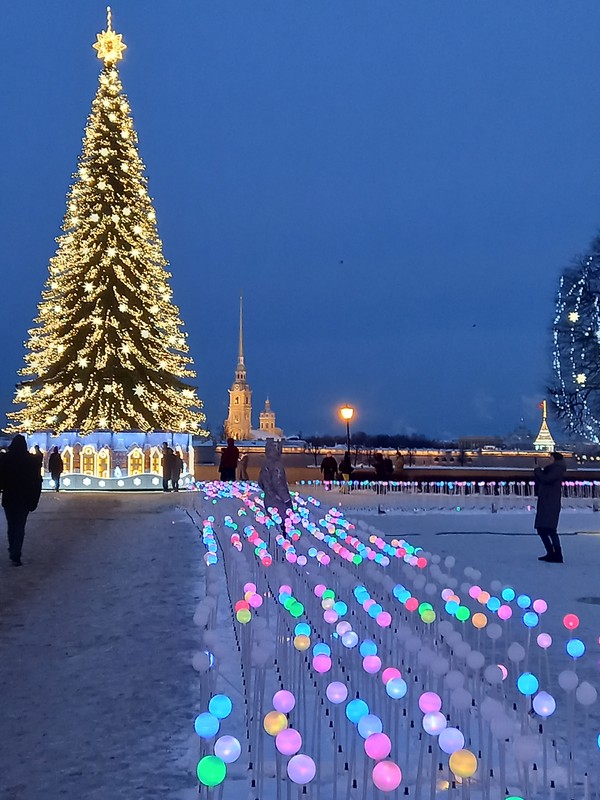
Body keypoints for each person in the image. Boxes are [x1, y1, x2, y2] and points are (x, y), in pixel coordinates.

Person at [0, 434, 43, 566]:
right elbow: (37, 479)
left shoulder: (6, 459)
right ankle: (16, 552)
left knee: (11, 525)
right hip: (24, 498)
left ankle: (13, 547)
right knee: (19, 526)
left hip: (9, 497)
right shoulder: (30, 461)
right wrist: (34, 499)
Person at [534, 451, 567, 563]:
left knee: (550, 529)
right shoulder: (552, 469)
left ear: (555, 459)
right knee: (542, 529)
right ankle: (551, 553)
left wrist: (538, 471)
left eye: (550, 458)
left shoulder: (557, 469)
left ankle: (557, 554)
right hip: (546, 502)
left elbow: (546, 479)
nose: (549, 460)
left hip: (550, 503)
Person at [258, 440, 292, 533]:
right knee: (283, 527)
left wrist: (268, 492)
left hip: (268, 500)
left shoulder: (265, 465)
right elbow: (278, 483)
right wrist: (286, 500)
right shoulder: (277, 466)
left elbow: (260, 482)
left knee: (273, 530)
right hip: (279, 502)